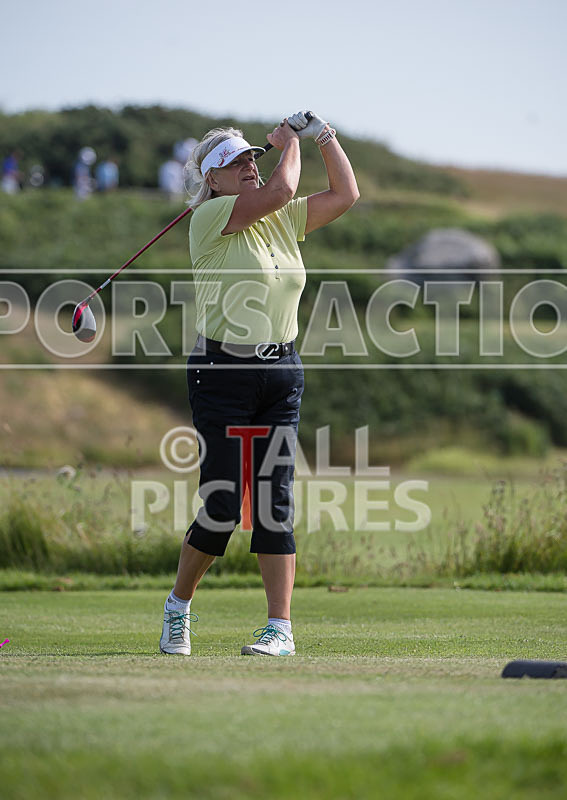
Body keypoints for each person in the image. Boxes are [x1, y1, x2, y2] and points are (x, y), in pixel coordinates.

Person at [159, 110, 359, 657]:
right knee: (223, 501)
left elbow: (344, 194)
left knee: (274, 501)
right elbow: (282, 187)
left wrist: (324, 137)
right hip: (221, 373)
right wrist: (286, 141)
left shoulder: (282, 217)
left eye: (252, 156)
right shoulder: (211, 217)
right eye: (235, 162)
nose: (249, 165)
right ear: (212, 181)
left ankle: (280, 629)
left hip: (281, 372)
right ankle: (179, 606)